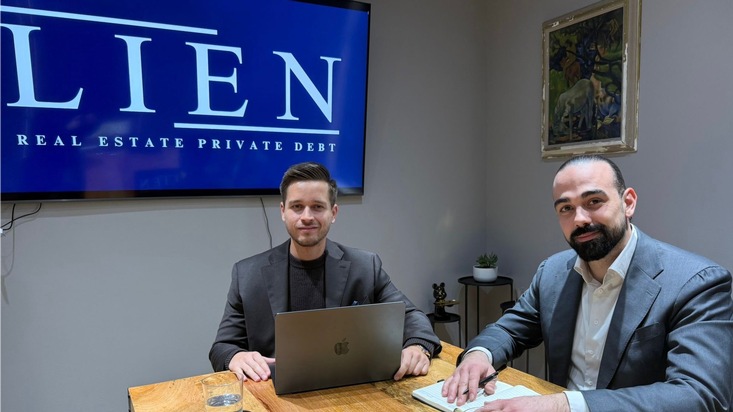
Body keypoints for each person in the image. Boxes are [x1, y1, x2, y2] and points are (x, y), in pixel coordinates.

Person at [442, 155, 733, 411]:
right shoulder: (552, 272)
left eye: (594, 201)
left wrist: (565, 406)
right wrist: (479, 355)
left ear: (628, 202)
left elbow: (701, 395)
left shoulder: (696, 283)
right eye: (565, 208)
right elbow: (509, 329)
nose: (580, 219)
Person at [209, 162, 442, 382]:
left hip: (349, 388)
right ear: (283, 211)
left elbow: (411, 316)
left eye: (317, 207)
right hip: (273, 392)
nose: (307, 217)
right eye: (297, 207)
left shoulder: (365, 266)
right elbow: (222, 347)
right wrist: (235, 356)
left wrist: (417, 346)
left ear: (334, 212)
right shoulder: (247, 274)